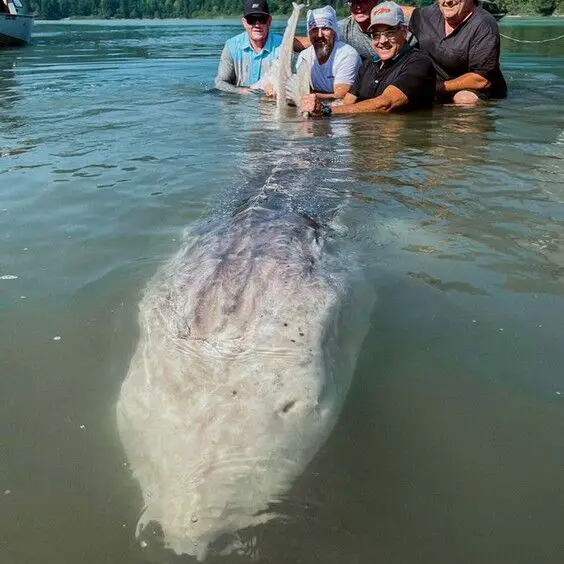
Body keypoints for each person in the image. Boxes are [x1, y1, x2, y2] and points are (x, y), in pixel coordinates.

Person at [300, 2, 436, 117]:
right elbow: (346, 103)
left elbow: (385, 104)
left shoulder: (419, 62)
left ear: (404, 32)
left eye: (390, 32)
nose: (382, 41)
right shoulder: (368, 66)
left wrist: (325, 111)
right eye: (376, 35)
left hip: (404, 145)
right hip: (367, 140)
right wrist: (314, 106)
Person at [406, 0, 507, 104]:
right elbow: (404, 12)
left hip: (474, 87)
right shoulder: (427, 14)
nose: (447, 1)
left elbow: (481, 79)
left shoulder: (484, 24)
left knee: (464, 99)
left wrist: (435, 88)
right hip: (435, 85)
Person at [215, 0, 283, 94]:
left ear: (269, 21)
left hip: (269, 102)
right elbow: (220, 83)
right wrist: (239, 91)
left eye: (262, 19)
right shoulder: (231, 46)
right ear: (244, 22)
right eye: (251, 20)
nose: (257, 25)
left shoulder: (283, 46)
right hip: (240, 102)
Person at [296, 6, 361, 101]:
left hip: (342, 109)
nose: (319, 35)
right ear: (309, 33)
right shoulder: (304, 56)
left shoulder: (347, 54)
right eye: (314, 29)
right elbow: (301, 89)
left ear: (334, 32)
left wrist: (309, 96)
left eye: (325, 28)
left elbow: (341, 95)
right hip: (319, 105)